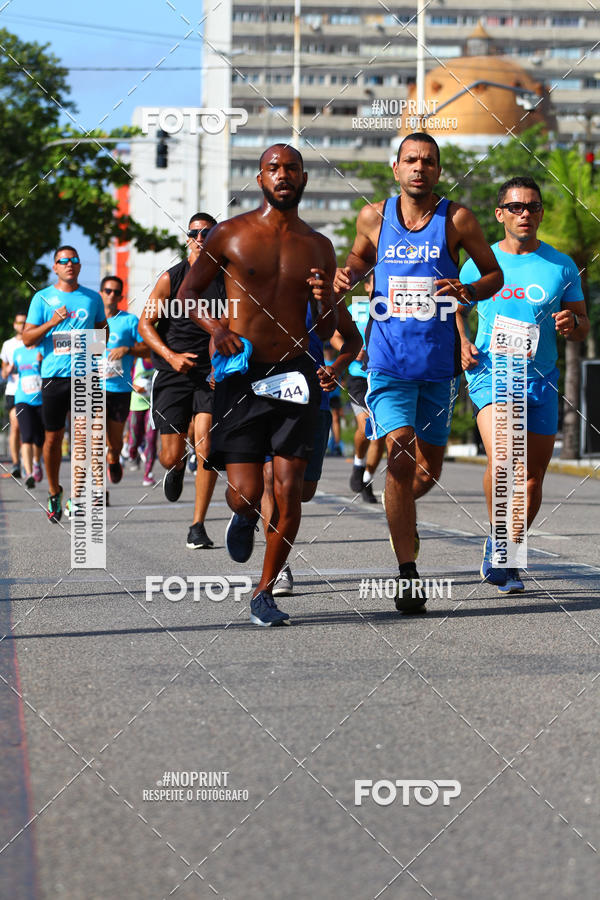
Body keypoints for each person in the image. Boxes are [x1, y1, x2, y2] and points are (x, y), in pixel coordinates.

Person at [334, 133, 503, 614]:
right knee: (400, 455)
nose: (419, 168)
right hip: (386, 361)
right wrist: (349, 273)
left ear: (438, 171)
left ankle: (402, 522)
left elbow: (494, 275)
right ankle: (407, 573)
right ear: (396, 168)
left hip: (438, 365)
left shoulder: (458, 219)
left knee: (426, 471)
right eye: (411, 160)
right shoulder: (374, 216)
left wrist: (468, 288)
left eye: (428, 161)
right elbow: (359, 256)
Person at [180, 143, 337, 625]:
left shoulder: (319, 246)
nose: (283, 175)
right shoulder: (229, 234)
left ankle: (264, 591)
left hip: (295, 375)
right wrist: (218, 330)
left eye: (292, 169)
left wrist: (327, 301)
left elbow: (330, 318)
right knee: (245, 491)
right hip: (243, 377)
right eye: (274, 168)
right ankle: (244, 515)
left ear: (304, 178)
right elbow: (188, 297)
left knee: (288, 491)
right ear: (260, 178)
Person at [458, 175, 589, 593]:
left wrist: (573, 324)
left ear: (541, 213)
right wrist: (461, 340)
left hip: (541, 378)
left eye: (532, 206)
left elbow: (582, 323)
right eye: (515, 207)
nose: (525, 214)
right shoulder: (481, 261)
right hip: (491, 373)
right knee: (506, 460)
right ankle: (503, 553)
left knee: (532, 477)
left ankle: (505, 547)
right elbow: (456, 305)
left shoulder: (561, 265)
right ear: (500, 214)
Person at [264, 298, 362, 597]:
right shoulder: (255, 283)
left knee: (301, 491)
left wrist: (335, 367)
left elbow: (353, 339)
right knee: (271, 481)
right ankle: (278, 568)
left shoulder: (318, 292)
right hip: (267, 395)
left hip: (312, 400)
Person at [138, 213, 224, 549]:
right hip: (174, 372)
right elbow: (145, 325)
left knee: (207, 445)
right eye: (195, 233)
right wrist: (171, 357)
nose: (201, 237)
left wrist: (223, 364)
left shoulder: (226, 278)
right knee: (169, 455)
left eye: (208, 232)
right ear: (187, 238)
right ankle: (174, 469)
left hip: (210, 373)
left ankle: (198, 525)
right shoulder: (171, 278)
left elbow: (237, 323)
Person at [23, 247, 108, 523]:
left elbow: (102, 331)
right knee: (53, 439)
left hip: (84, 376)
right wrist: (53, 322)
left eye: (74, 260)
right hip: (54, 377)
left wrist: (93, 351)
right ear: (55, 268)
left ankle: (76, 497)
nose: (69, 264)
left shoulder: (92, 298)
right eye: (63, 261)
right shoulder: (42, 298)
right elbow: (27, 338)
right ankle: (53, 490)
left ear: (80, 266)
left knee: (81, 437)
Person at [97, 275, 148, 496]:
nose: (111, 295)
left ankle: (114, 457)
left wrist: (128, 350)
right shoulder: (91, 321)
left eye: (116, 292)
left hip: (120, 390)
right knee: (96, 437)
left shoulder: (129, 321)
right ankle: (99, 489)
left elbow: (147, 349)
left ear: (120, 296)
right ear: (101, 293)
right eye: (107, 290)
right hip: (94, 388)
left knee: (114, 443)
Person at [343, 274, 385, 503]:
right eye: (374, 283)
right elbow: (338, 337)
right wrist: (351, 350)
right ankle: (358, 465)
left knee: (380, 433)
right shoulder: (356, 307)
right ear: (367, 286)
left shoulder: (395, 309)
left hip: (385, 376)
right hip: (359, 376)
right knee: (368, 424)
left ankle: (366, 479)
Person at [12, 341, 44, 488]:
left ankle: (36, 462)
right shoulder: (18, 352)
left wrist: (42, 362)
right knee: (27, 436)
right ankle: (29, 473)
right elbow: (12, 371)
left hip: (41, 399)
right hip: (22, 399)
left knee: (39, 438)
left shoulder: (43, 348)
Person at [1, 312, 26, 478]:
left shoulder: (33, 341)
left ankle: (28, 462)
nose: (22, 326)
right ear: (14, 325)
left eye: (25, 323)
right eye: (19, 323)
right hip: (13, 390)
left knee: (28, 429)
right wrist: (7, 370)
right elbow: (3, 373)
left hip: (31, 391)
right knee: (15, 425)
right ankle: (16, 464)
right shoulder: (8, 345)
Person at [128, 357, 158, 486]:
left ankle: (148, 474)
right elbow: (125, 378)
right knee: (135, 439)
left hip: (153, 404)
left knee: (151, 439)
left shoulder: (159, 358)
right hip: (136, 404)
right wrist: (135, 386)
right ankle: (133, 452)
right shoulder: (135, 360)